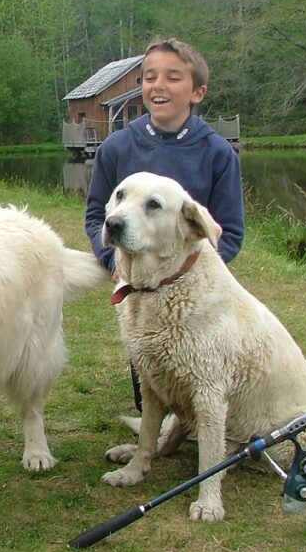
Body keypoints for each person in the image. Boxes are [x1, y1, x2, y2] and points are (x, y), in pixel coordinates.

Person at [84, 36, 245, 411]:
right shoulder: (117, 147)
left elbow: (230, 233)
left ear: (197, 92)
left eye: (173, 77)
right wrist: (112, 263)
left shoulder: (218, 153)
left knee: (201, 400)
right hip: (136, 290)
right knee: (152, 400)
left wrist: (186, 276)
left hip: (196, 299)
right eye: (149, 77)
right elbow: (96, 216)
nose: (158, 86)